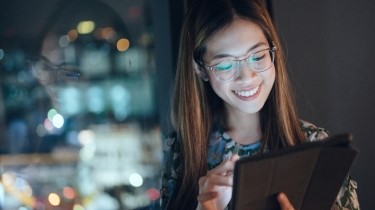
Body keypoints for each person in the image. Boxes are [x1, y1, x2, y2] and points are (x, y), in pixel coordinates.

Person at [160, 0, 360, 209]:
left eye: (258, 56)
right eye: (226, 64)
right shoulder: (181, 151)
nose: (247, 77)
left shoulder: (315, 145)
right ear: (201, 69)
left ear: (273, 53)